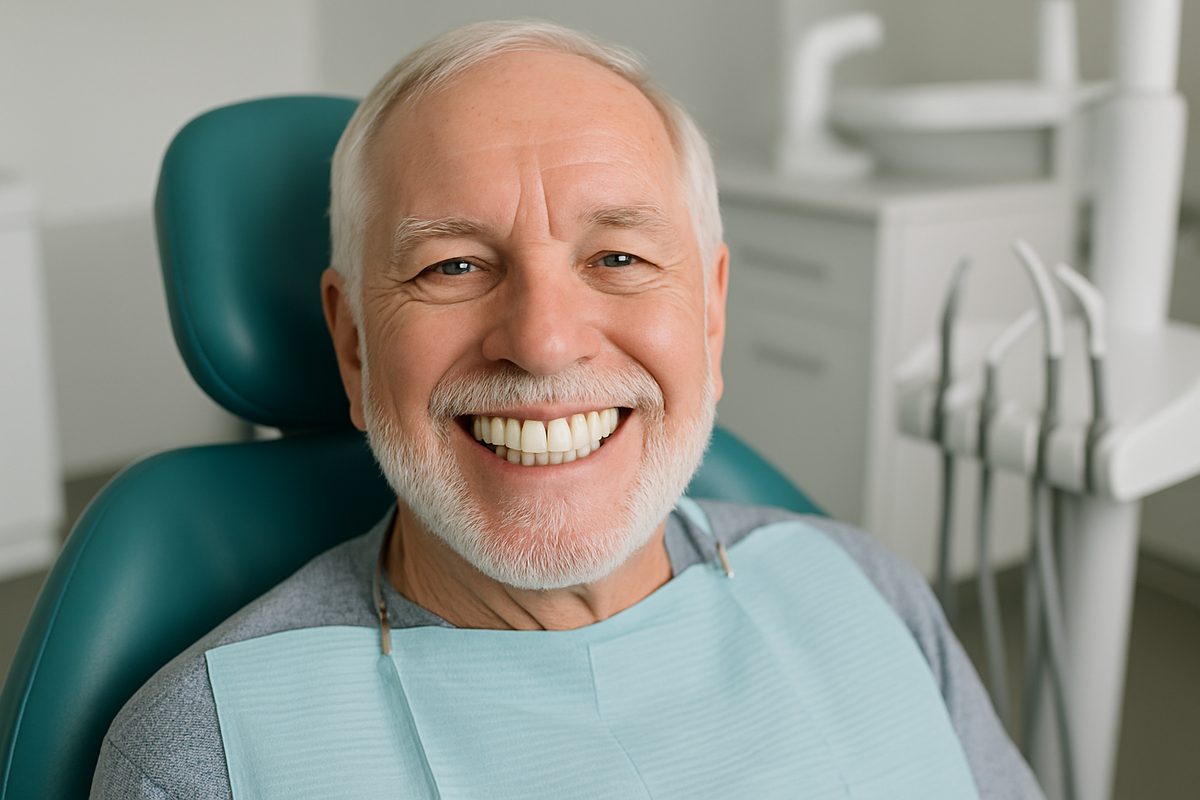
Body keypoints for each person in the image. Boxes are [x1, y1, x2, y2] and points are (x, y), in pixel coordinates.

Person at [91, 19, 1042, 799]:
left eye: (618, 258)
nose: (544, 343)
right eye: (452, 265)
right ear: (353, 345)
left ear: (709, 317)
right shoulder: (202, 758)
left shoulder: (867, 591)